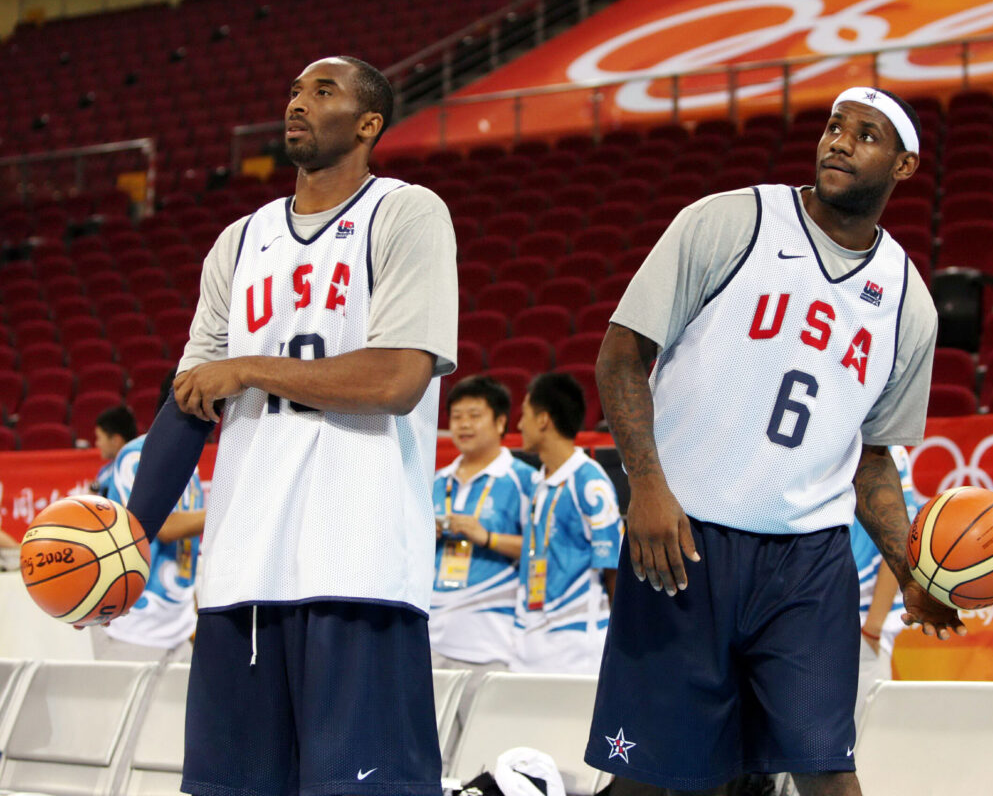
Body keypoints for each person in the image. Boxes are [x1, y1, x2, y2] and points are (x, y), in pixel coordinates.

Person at [585, 87, 963, 796]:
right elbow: (621, 356)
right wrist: (649, 487)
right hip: (684, 537)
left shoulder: (908, 302)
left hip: (808, 563)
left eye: (866, 135)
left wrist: (912, 573)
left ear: (904, 166)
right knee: (647, 777)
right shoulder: (730, 222)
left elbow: (873, 458)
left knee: (828, 769)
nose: (839, 142)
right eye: (834, 126)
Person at [124, 55, 457, 796]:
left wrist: (248, 368)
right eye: (295, 91)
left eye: (323, 91)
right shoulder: (239, 241)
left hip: (359, 566)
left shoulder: (406, 212)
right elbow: (190, 397)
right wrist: (130, 536)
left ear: (369, 124)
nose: (297, 102)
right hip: (241, 570)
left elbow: (396, 380)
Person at [513, 372, 623, 675]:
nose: (519, 425)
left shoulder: (590, 482)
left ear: (543, 420)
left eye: (524, 414)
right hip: (528, 640)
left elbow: (613, 569)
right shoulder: (538, 482)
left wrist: (619, 645)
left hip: (577, 646)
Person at [94, 374, 206, 662]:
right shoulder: (137, 454)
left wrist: (192, 611)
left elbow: (186, 547)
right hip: (133, 627)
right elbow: (161, 526)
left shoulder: (191, 462)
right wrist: (226, 510)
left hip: (178, 627)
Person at [431, 375, 535, 679]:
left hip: (491, 642)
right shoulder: (437, 480)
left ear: (500, 423)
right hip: (431, 635)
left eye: (474, 416)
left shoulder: (524, 480)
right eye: (456, 417)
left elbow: (543, 550)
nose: (464, 424)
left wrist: (487, 537)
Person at [850, 446, 918, 726]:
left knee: (866, 739)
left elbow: (902, 537)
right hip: (805, 620)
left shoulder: (889, 448)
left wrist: (873, 628)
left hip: (862, 628)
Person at [92, 405, 139, 497]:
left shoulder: (135, 468)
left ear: (116, 440)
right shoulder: (104, 471)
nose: (97, 444)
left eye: (99, 438)